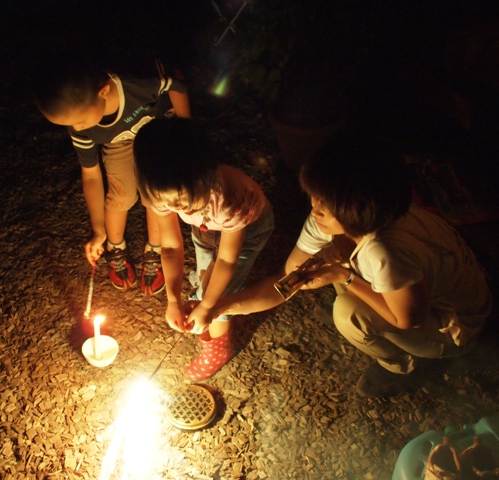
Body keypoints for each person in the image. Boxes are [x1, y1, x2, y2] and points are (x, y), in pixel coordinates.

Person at [214, 135, 493, 397]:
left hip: (453, 323)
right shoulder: (337, 219)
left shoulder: (385, 250)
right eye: (315, 196)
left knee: (348, 314)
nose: (315, 209)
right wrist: (218, 307)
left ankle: (402, 367)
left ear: (358, 208)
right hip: (411, 289)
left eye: (327, 203)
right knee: (331, 257)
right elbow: (289, 279)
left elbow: (409, 320)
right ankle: (359, 296)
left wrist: (344, 276)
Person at [33, 56, 191, 295]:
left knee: (157, 192)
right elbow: (91, 175)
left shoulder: (138, 80)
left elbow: (175, 80)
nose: (78, 128)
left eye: (80, 121)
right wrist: (98, 230)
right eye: (71, 124)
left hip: (157, 129)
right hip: (118, 141)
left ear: (103, 91)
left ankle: (156, 250)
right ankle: (115, 246)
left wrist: (187, 128)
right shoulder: (81, 126)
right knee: (121, 192)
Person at [133, 117, 275, 381]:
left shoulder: (231, 200)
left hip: (248, 230)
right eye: (171, 205)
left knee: (222, 291)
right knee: (204, 278)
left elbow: (227, 261)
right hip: (206, 229)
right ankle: (204, 296)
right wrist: (173, 300)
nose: (178, 209)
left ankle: (218, 350)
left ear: (207, 176)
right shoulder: (162, 189)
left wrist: (209, 305)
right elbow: (172, 246)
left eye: (185, 202)